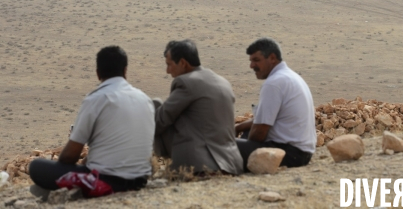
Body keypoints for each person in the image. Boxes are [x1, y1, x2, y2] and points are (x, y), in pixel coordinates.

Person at [29, 46, 155, 195]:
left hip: (108, 181)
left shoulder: (96, 99)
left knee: (37, 167)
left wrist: (63, 164)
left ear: (98, 73)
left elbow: (69, 156)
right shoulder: (145, 99)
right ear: (125, 71)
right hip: (140, 180)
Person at [153, 39, 243, 175]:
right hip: (232, 164)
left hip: (200, 165)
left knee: (154, 107)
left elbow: (159, 121)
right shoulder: (221, 80)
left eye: (169, 65)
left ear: (183, 63)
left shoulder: (186, 82)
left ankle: (146, 168)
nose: (167, 71)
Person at [235, 37, 316, 170]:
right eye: (251, 61)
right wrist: (238, 128)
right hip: (302, 153)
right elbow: (266, 119)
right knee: (243, 135)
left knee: (221, 145)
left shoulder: (274, 83)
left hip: (289, 154)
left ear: (272, 58)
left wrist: (243, 145)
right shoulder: (289, 76)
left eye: (256, 60)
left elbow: (259, 133)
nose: (251, 66)